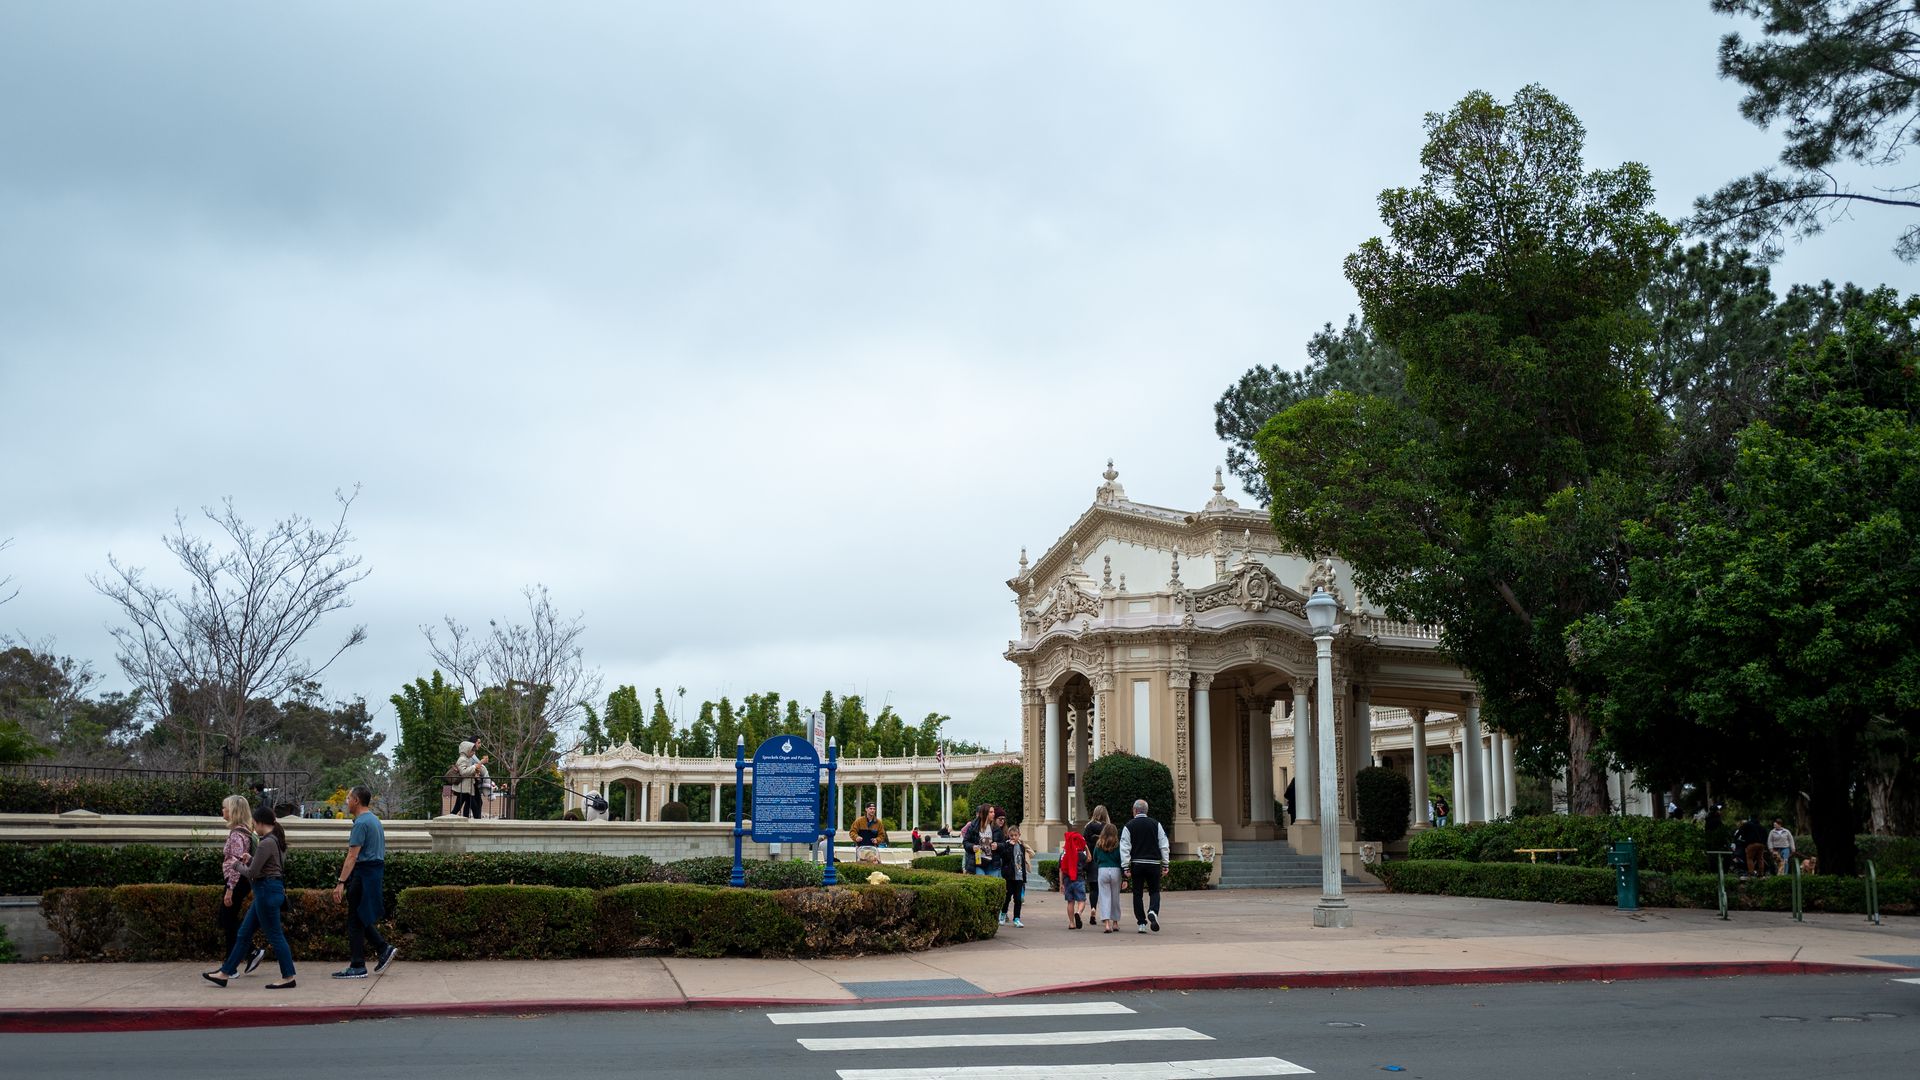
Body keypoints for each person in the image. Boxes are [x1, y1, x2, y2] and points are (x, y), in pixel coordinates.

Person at [201, 805, 295, 990]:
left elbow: (252, 873)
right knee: (244, 934)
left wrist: (235, 865)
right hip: (268, 891)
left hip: (266, 892)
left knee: (275, 936)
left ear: (260, 823)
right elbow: (265, 867)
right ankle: (224, 973)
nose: (253, 825)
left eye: (254, 822)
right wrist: (251, 859)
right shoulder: (273, 841)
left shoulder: (267, 842)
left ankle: (288, 976)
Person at [332, 785, 398, 979]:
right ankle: (383, 948)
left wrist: (340, 882)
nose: (346, 801)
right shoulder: (375, 820)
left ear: (356, 801)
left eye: (348, 798)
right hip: (373, 872)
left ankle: (358, 965)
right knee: (360, 916)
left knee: (354, 920)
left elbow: (352, 856)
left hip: (363, 873)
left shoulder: (361, 823)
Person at [216, 794, 267, 975]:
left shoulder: (238, 834)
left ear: (233, 811)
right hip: (241, 881)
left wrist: (230, 889)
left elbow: (236, 863)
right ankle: (248, 952)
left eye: (225, 808)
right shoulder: (246, 831)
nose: (223, 811)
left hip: (236, 881)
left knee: (228, 919)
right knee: (227, 918)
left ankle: (232, 964)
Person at [1118, 798, 1169, 933]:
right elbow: (1164, 845)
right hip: (1153, 863)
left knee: (1137, 894)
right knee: (1154, 891)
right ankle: (1153, 910)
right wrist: (1165, 864)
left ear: (1135, 810)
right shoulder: (1156, 824)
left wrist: (1125, 867)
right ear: (1147, 810)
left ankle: (1141, 923)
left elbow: (1124, 847)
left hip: (1137, 863)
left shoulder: (1129, 825)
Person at [1059, 816, 1090, 929]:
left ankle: (1071, 923)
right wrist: (1086, 848)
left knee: (1070, 902)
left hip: (1067, 880)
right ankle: (1079, 913)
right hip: (1079, 879)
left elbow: (1061, 869)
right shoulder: (1080, 853)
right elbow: (1089, 859)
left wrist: (1061, 884)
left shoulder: (1064, 854)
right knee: (1081, 901)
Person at [999, 824, 1032, 928]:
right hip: (1009, 877)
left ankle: (1017, 918)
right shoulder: (1006, 845)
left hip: (1019, 876)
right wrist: (1010, 846)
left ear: (1019, 835)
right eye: (1011, 835)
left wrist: (1024, 877)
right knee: (1007, 897)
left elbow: (1022, 861)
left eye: (1015, 835)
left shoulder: (1021, 846)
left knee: (1018, 899)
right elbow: (1005, 858)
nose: (1013, 837)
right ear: (1008, 835)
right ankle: (1003, 914)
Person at [1093, 822, 1124, 933]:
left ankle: (1107, 924)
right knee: (1115, 897)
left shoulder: (1099, 844)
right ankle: (1115, 923)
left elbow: (1095, 858)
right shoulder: (1117, 844)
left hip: (1103, 870)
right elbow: (1121, 860)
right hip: (1115, 870)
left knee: (1104, 897)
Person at [450, 740, 486, 818]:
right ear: (466, 750)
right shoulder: (462, 759)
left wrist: (475, 772)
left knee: (457, 808)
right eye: (472, 750)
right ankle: (478, 824)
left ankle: (447, 821)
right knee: (475, 807)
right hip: (464, 788)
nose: (473, 752)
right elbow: (463, 772)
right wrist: (475, 767)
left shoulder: (466, 759)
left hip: (465, 788)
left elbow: (467, 771)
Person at [961, 805, 993, 875]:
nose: (993, 814)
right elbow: (965, 839)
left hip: (991, 863)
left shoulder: (994, 826)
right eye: (991, 812)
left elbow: (1002, 842)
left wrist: (997, 845)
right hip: (977, 860)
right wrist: (972, 846)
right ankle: (964, 868)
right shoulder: (972, 825)